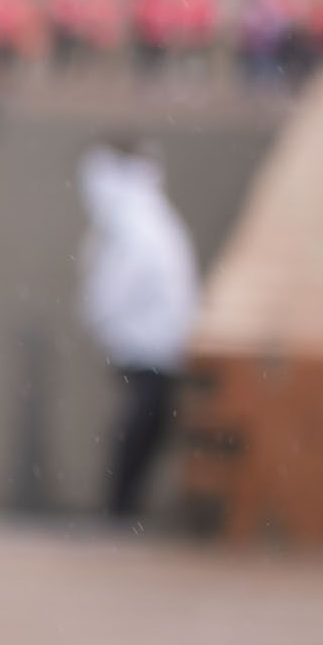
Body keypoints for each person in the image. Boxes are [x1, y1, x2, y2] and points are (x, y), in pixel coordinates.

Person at [79, 139, 198, 520]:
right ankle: (122, 507)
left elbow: (118, 283)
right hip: (154, 343)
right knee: (144, 428)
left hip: (152, 344)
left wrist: (102, 315)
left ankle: (121, 508)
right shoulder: (146, 215)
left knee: (140, 429)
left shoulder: (137, 222)